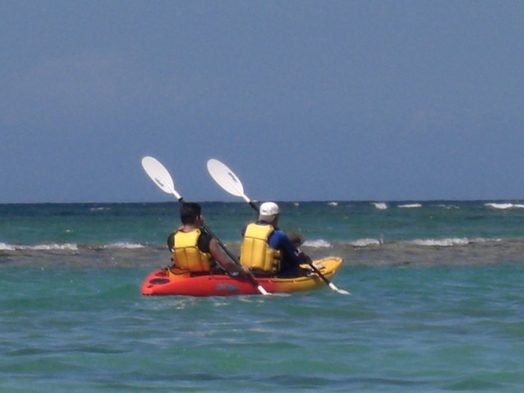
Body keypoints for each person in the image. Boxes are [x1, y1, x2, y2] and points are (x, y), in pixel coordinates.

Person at [167, 202, 249, 277]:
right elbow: (226, 264)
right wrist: (241, 269)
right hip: (206, 277)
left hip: (183, 276)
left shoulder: (172, 238)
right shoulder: (207, 239)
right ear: (197, 218)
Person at [240, 202, 310, 277]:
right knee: (294, 265)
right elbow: (296, 259)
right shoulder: (279, 235)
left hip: (247, 271)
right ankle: (308, 273)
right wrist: (305, 259)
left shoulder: (247, 228)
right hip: (268, 274)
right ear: (276, 217)